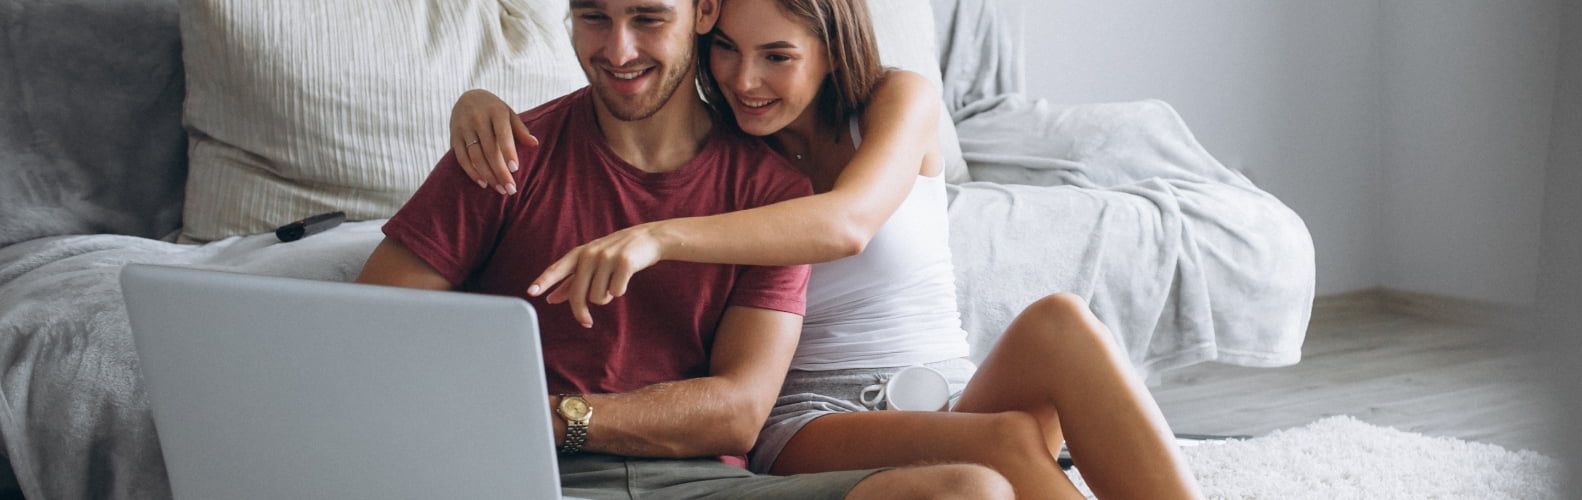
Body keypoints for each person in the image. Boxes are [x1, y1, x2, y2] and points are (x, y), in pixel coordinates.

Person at [447, 0, 1203, 498]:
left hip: (946, 388)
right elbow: (628, 95)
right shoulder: (730, 147)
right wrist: (475, 102)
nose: (746, 80)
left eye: (777, 56)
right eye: (727, 51)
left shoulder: (897, 100)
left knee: (1063, 322)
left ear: (832, 50)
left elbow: (846, 225)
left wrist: (658, 239)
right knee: (1004, 443)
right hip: (808, 416)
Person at [355, 0, 1013, 498]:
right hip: (524, 474)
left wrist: (558, 415)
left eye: (648, 18)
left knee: (971, 490)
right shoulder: (502, 154)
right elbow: (363, 342)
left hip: (701, 482)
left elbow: (739, 413)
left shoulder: (773, 193)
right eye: (593, 17)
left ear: (702, 12)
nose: (618, 50)